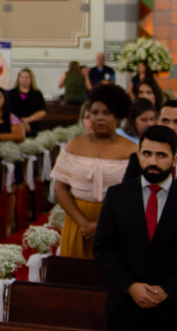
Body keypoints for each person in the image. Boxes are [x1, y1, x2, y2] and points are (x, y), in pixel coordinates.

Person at [93, 124, 177, 331]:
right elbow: (103, 248)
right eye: (147, 154)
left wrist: (168, 290)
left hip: (175, 312)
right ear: (138, 155)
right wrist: (130, 285)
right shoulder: (117, 196)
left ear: (174, 160)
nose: (153, 161)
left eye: (161, 155)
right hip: (125, 308)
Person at [51, 84, 136, 260]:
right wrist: (83, 223)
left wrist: (103, 225)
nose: (99, 118)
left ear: (118, 116)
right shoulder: (74, 145)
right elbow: (59, 188)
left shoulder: (131, 150)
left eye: (106, 113)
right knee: (76, 277)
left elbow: (135, 195)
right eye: (94, 113)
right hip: (78, 220)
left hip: (116, 223)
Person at [8, 68, 47, 135]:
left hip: (33, 125)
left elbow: (42, 111)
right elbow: (7, 110)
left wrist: (28, 120)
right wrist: (20, 123)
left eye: (27, 77)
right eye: (22, 77)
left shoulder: (37, 93)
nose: (24, 80)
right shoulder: (11, 93)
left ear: (31, 79)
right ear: (18, 79)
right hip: (14, 125)